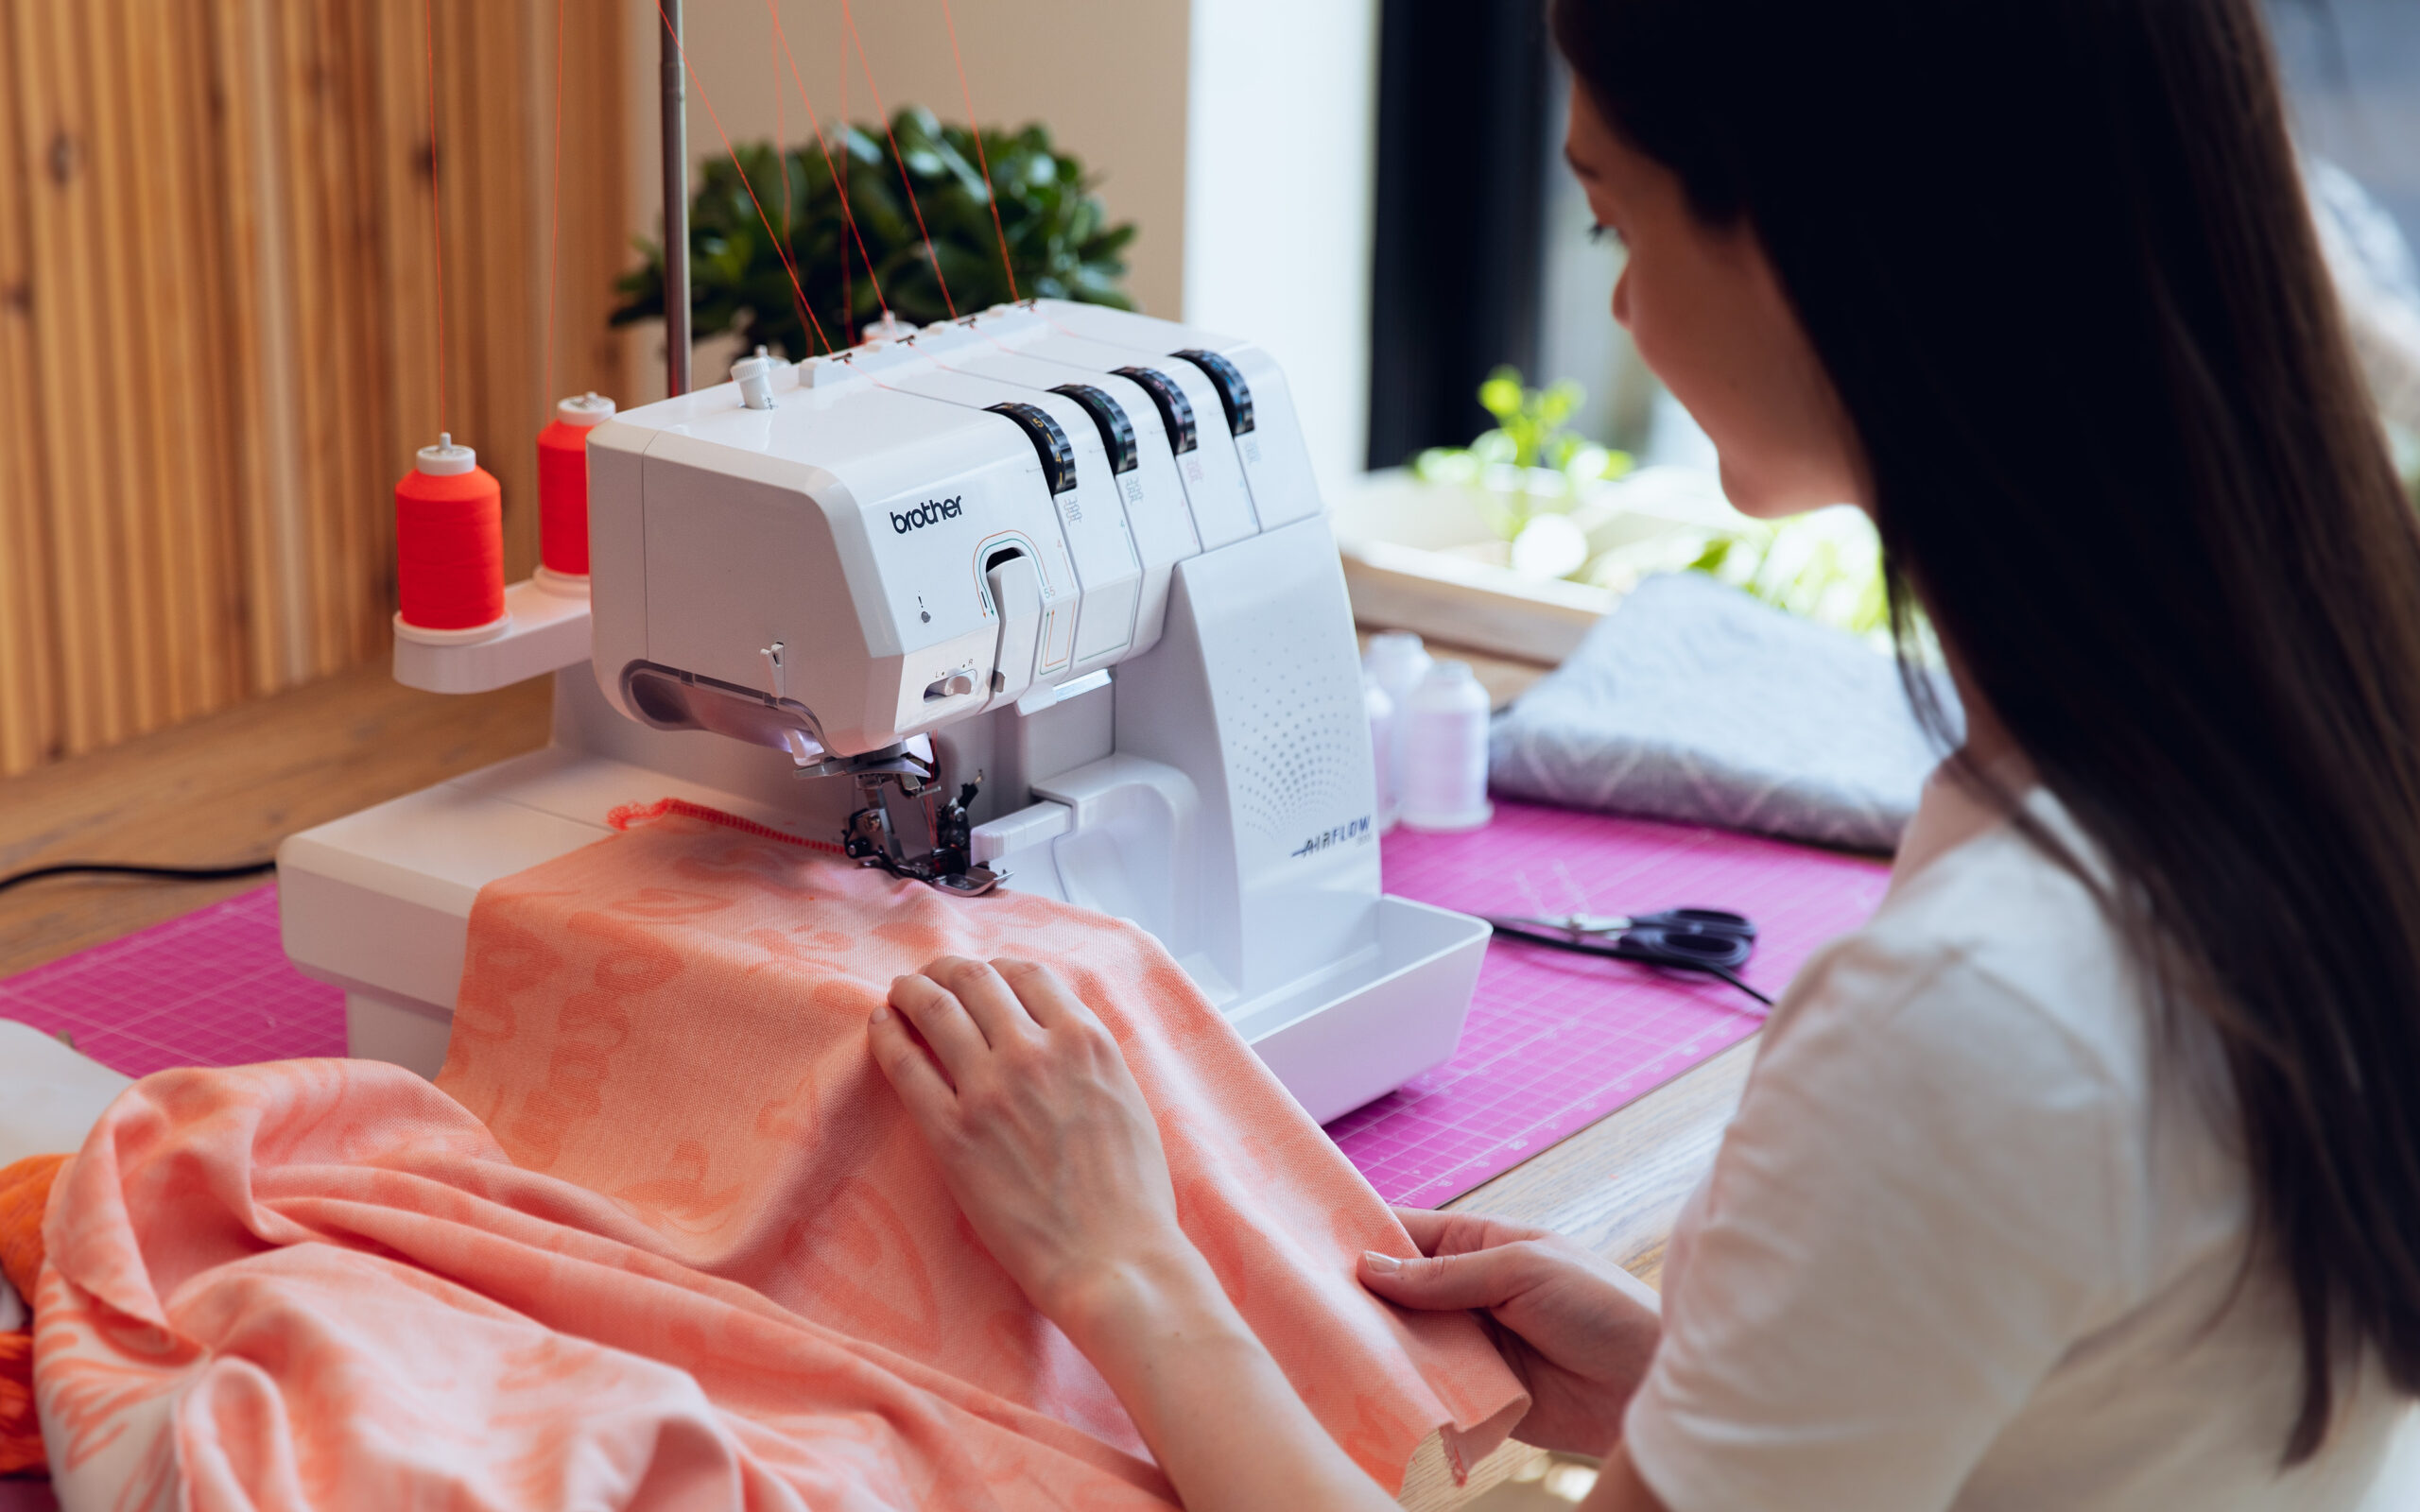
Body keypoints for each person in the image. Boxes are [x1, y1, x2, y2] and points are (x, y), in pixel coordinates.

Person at [863, 0, 2420, 1504]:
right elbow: (2116, 1396)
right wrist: (1703, 1384)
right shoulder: (2304, 770)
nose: (1614, 305)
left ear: (1817, 244)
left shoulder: (1971, 1016)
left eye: (1614, 222)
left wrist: (1129, 1271)